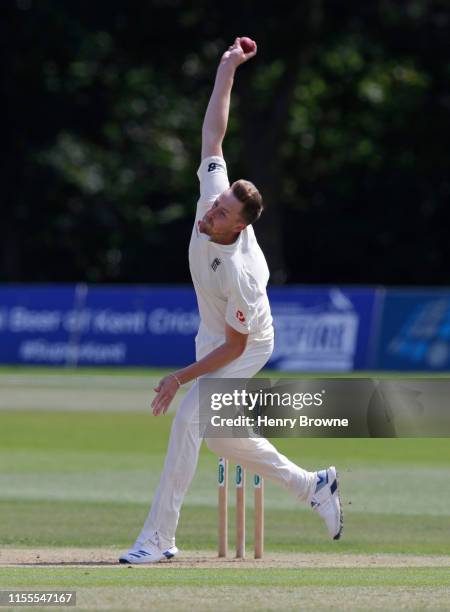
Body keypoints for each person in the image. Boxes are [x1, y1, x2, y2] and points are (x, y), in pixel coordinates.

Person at [119, 37, 342, 564]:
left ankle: (157, 539)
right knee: (220, 437)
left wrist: (179, 377)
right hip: (213, 331)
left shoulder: (243, 273)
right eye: (215, 204)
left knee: (187, 422)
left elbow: (235, 346)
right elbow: (213, 135)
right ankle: (313, 486)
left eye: (221, 214)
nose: (210, 214)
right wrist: (226, 69)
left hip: (245, 342)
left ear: (240, 227)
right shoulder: (210, 199)